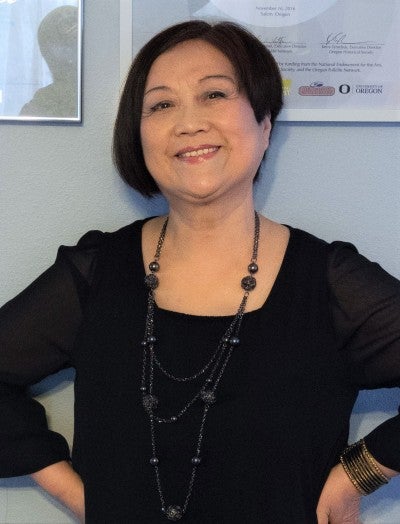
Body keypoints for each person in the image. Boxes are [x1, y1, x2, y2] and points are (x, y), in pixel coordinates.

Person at [1, 20, 399, 523]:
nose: (188, 122)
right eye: (161, 104)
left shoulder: (330, 283)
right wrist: (83, 497)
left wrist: (360, 473)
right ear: (137, 134)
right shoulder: (95, 274)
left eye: (214, 94)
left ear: (265, 122)